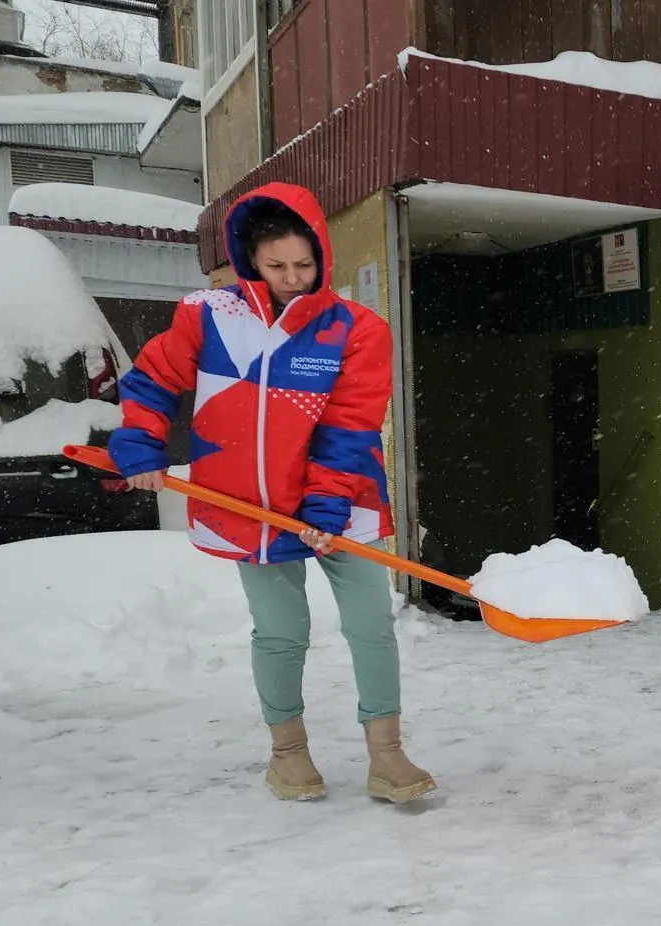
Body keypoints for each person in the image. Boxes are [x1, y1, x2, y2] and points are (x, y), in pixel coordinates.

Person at [106, 182, 434, 804]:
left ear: (322, 256)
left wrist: (326, 504)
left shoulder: (355, 329)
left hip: (343, 500)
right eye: (276, 264)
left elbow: (350, 425)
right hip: (248, 507)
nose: (291, 278)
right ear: (249, 258)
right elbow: (152, 380)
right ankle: (288, 755)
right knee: (282, 631)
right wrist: (141, 445)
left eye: (303, 264)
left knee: (371, 623)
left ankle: (386, 753)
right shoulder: (208, 315)